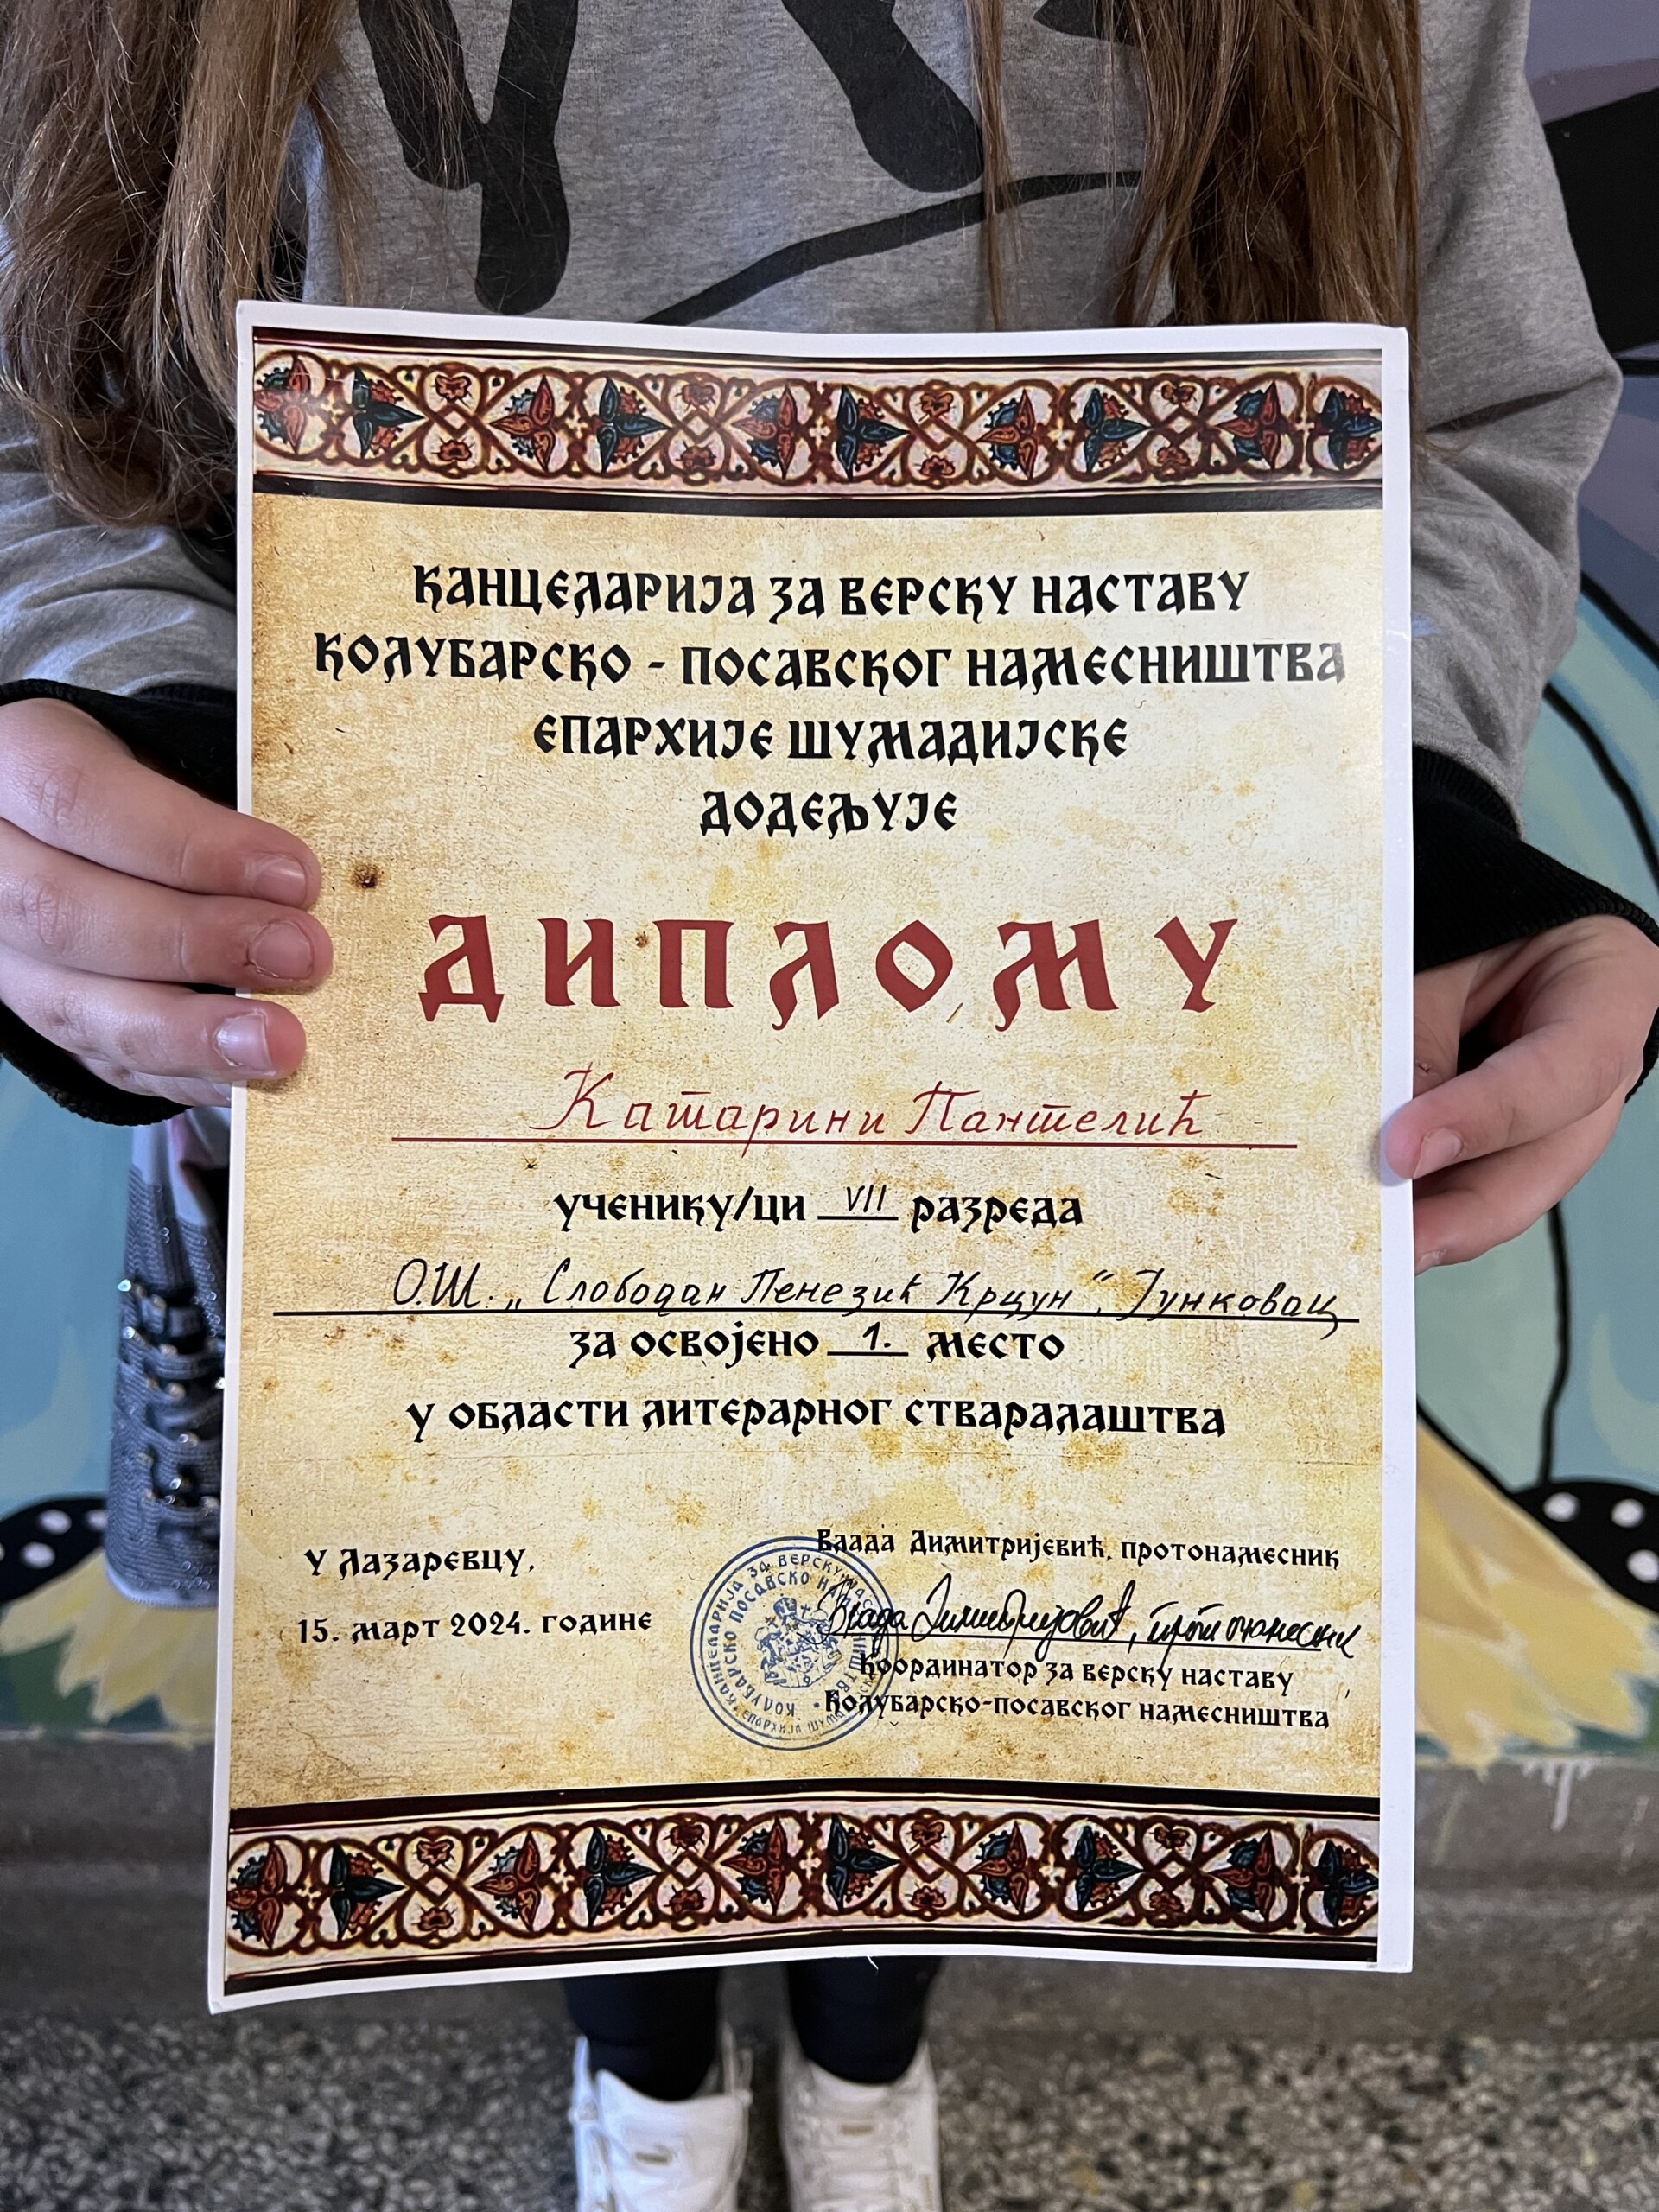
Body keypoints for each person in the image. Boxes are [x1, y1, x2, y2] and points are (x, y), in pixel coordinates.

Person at [1, 3, 1656, 2208]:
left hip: (1077, 1105)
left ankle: (866, 2062)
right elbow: (40, 402)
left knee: (965, 1644)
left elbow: (1468, 407)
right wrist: (107, 755)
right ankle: (652, 2077)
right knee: (551, 1667)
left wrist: (1416, 833)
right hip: (425, 1080)